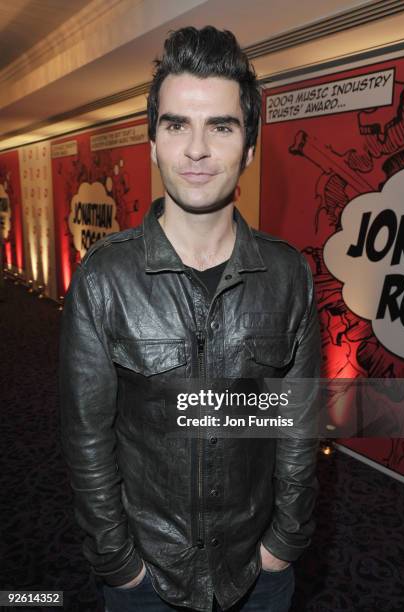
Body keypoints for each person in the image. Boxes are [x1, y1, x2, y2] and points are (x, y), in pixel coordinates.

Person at [59, 26, 321, 612]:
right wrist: (120, 564)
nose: (196, 150)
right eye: (177, 125)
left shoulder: (288, 275)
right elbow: (87, 437)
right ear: (153, 143)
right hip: (146, 577)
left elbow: (298, 426)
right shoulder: (104, 278)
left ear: (248, 146)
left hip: (258, 570)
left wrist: (284, 540)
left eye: (221, 126)